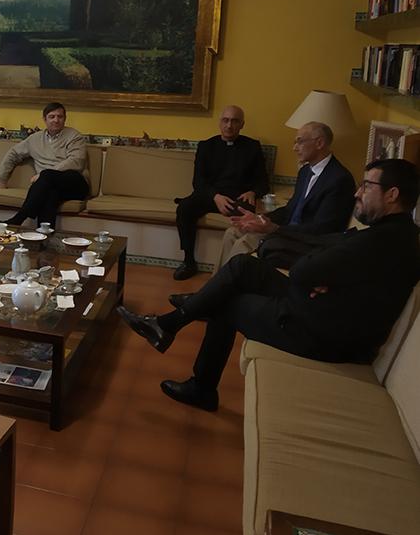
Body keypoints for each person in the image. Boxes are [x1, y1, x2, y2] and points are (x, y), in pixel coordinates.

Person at [119, 158, 420, 411]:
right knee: (243, 266)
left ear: (392, 194)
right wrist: (327, 275)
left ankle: (201, 385)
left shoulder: (381, 241)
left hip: (324, 334)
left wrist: (323, 276)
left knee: (228, 303)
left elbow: (304, 271)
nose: (357, 192)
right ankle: (168, 324)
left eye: (367, 186)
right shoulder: (397, 233)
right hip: (326, 310)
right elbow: (331, 247)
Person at [213, 121, 355, 269]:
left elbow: (323, 229)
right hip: (286, 230)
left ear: (319, 143)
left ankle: (222, 289)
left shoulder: (339, 179)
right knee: (233, 232)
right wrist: (260, 218)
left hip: (306, 242)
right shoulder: (305, 172)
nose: (295, 148)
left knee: (244, 241)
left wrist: (274, 229)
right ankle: (213, 288)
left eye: (299, 142)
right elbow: (290, 210)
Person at [173, 105, 268, 280]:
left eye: (235, 121)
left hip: (238, 197)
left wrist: (253, 192)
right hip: (211, 195)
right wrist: (215, 197)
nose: (229, 125)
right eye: (225, 120)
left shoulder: (252, 147)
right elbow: (198, 182)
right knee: (185, 207)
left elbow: (263, 181)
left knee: (247, 215)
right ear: (220, 123)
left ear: (242, 124)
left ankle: (232, 268)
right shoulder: (206, 146)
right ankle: (188, 261)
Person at [0, 102, 89, 228]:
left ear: (64, 119)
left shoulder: (75, 136)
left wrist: (43, 175)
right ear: (45, 119)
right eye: (52, 117)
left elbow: (76, 162)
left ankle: (18, 218)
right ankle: (44, 237)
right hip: (49, 185)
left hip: (75, 183)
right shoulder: (35, 139)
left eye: (60, 117)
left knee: (47, 176)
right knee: (51, 195)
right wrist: (1, 179)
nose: (56, 120)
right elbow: (13, 154)